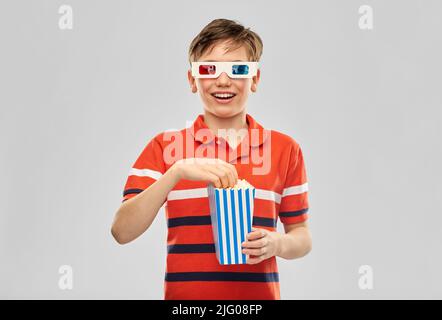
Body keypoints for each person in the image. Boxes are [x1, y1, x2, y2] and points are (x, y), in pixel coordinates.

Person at [111, 18, 312, 300]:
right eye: (209, 69)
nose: (223, 80)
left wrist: (278, 243)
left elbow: (301, 235)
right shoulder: (165, 146)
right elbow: (122, 231)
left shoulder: (285, 149)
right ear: (192, 80)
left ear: (254, 79)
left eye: (238, 69)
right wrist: (176, 173)